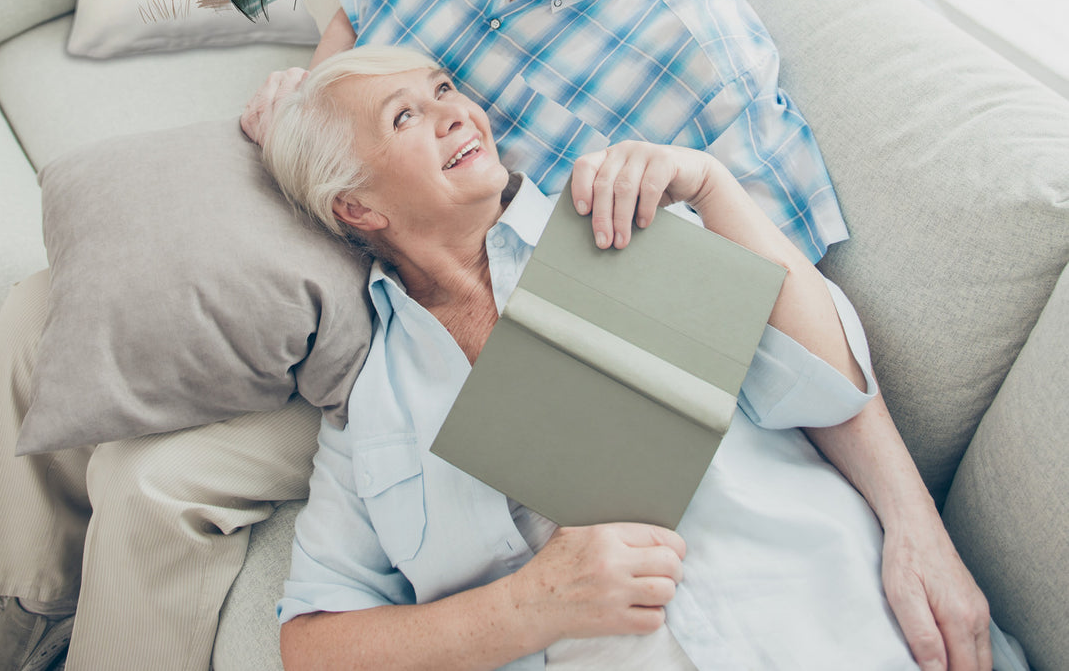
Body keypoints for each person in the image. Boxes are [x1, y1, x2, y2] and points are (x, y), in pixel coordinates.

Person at [0, 0, 986, 671]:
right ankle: (13, 607)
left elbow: (782, 313)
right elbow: (354, 18)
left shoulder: (708, 64)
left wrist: (912, 520)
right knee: (47, 304)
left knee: (155, 481)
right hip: (341, 203)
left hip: (432, 310)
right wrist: (312, 100)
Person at [262, 46, 1017, 671]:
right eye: (406, 116)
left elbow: (828, 386)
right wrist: (528, 607)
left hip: (839, 624)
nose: (456, 111)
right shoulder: (371, 408)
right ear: (357, 207)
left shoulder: (617, 219)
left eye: (444, 89)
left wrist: (713, 188)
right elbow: (313, 644)